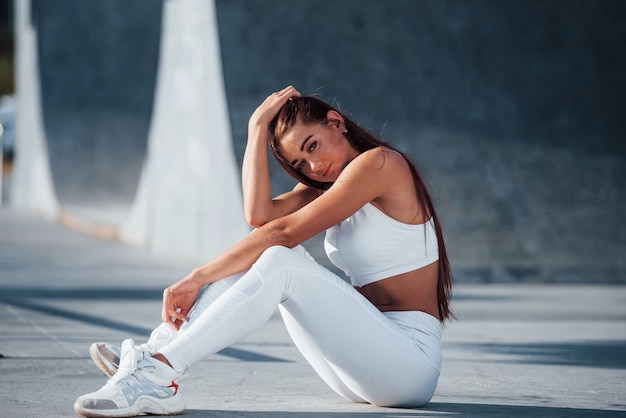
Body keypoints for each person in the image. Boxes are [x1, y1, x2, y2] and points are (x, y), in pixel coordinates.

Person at [74, 86, 453, 417]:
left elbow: (283, 232)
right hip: (363, 368)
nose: (314, 166)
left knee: (278, 259)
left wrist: (197, 277)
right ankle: (157, 352)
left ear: (336, 122)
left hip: (408, 364)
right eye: (300, 163)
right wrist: (256, 128)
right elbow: (259, 216)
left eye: (313, 146)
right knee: (267, 253)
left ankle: (158, 372)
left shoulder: (380, 164)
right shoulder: (330, 184)